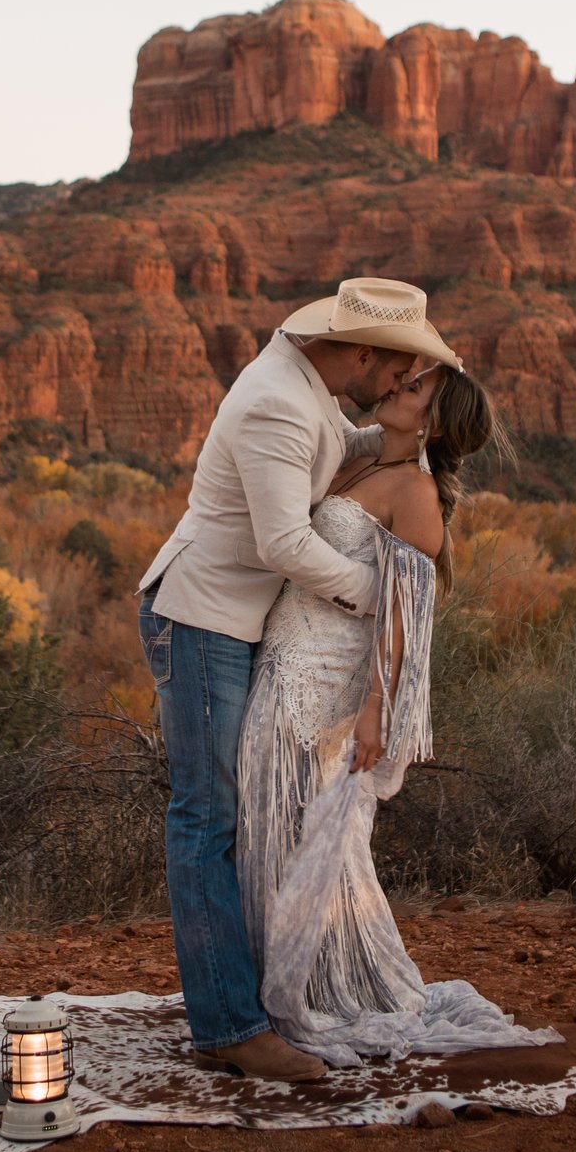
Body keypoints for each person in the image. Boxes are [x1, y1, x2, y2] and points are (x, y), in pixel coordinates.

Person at [132, 277, 455, 1083]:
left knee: (243, 818)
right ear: (361, 351)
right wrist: (380, 594)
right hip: (204, 619)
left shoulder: (308, 385)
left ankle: (257, 996)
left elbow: (349, 452)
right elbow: (282, 543)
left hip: (240, 626)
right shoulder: (279, 399)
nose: (390, 387)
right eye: (394, 372)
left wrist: (419, 457)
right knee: (207, 820)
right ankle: (228, 1026)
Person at [235, 360, 558, 1066]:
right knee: (270, 822)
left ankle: (318, 992)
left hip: (324, 683)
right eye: (402, 379)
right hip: (283, 653)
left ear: (434, 422)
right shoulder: (356, 456)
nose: (394, 387)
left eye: (412, 389)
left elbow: (407, 613)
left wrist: (377, 710)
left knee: (302, 829)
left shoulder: (415, 492)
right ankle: (280, 986)